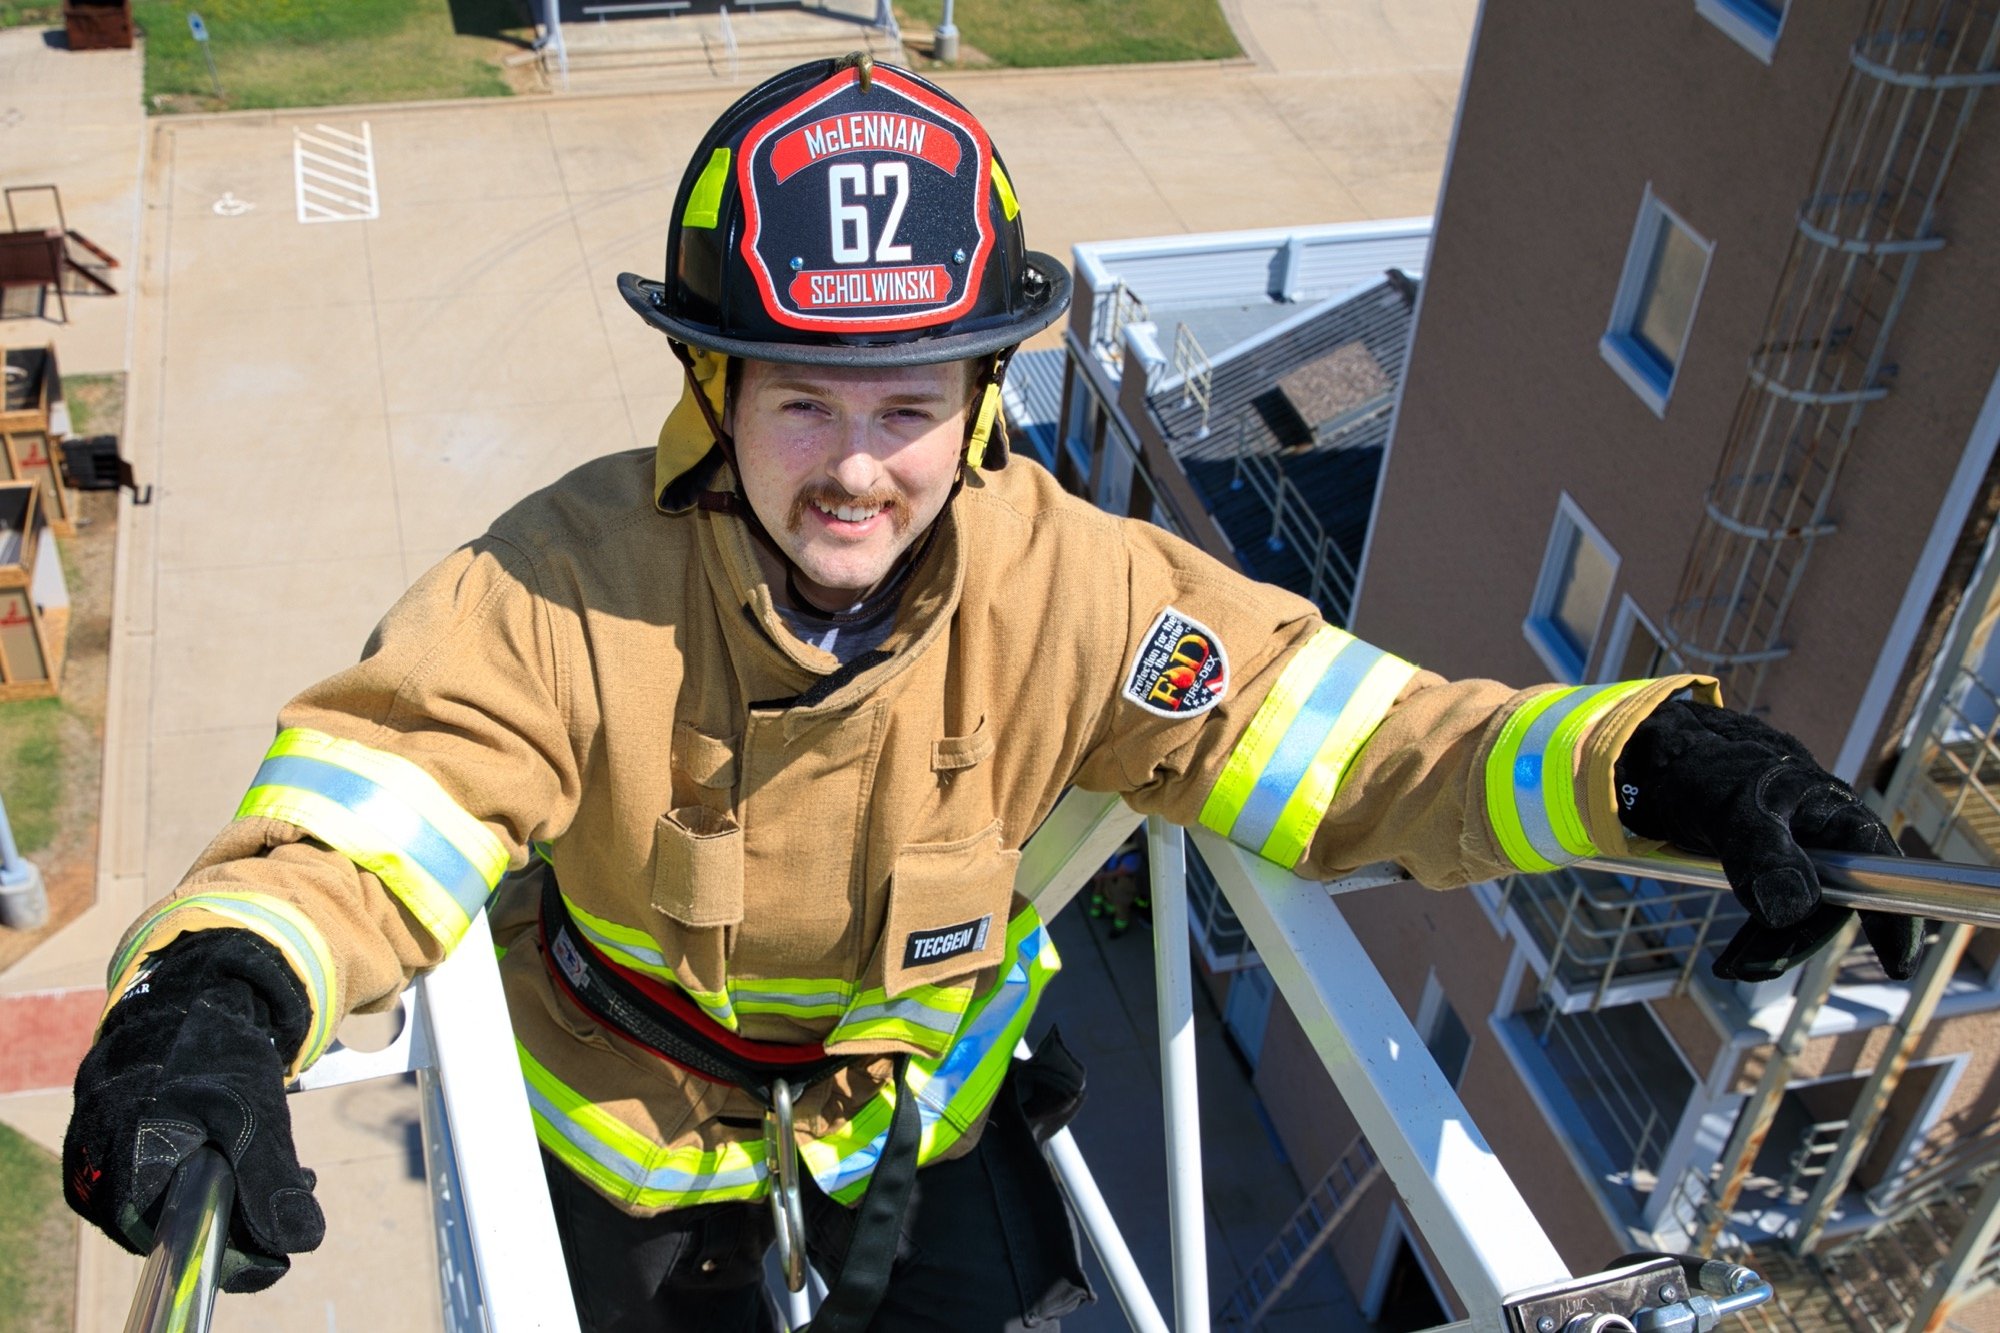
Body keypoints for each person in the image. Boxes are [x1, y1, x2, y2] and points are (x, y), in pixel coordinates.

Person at [62, 55, 1924, 1333]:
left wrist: (1641, 762)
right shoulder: (564, 583)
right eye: (803, 400)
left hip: (921, 1126)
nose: (857, 470)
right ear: (714, 392)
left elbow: (1354, 745)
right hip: (625, 1145)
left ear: (979, 405)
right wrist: (221, 991)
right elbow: (374, 810)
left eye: (909, 406)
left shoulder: (1082, 593)